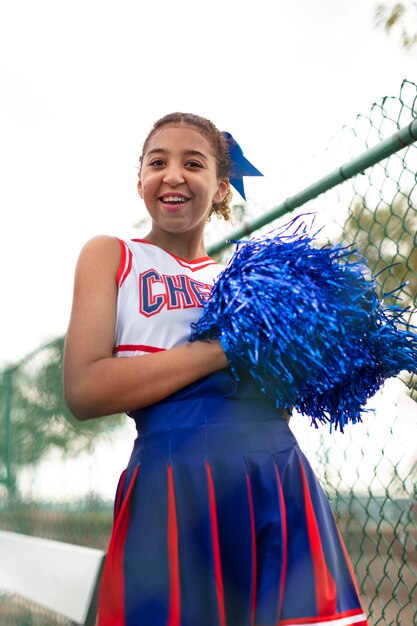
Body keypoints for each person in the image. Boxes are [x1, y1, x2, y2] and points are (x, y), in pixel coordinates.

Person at [63, 112, 369, 626]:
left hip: (271, 472)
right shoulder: (112, 255)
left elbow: (281, 399)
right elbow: (85, 389)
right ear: (140, 179)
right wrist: (225, 347)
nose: (174, 174)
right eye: (158, 162)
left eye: (194, 163)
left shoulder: (241, 279)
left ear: (221, 187)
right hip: (172, 479)